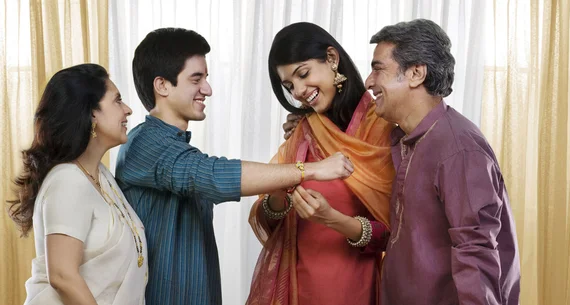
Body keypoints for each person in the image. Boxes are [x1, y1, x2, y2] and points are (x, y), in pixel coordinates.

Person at [115, 27, 353, 305]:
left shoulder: (177, 149)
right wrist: (311, 169)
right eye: (196, 79)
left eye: (206, 78)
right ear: (163, 85)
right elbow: (212, 175)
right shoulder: (144, 143)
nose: (208, 89)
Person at [364, 19, 521, 304]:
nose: (369, 81)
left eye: (378, 69)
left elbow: (477, 253)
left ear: (415, 73)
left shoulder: (458, 149)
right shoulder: (405, 137)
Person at [246, 22, 396, 305]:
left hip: (355, 287)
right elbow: (269, 219)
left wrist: (333, 219)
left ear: (331, 58)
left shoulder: (383, 129)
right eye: (289, 85)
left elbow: (394, 235)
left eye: (303, 74)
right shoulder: (304, 130)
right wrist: (278, 193)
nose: (299, 91)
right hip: (295, 287)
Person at [7, 63, 146, 305]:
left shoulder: (101, 177)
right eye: (117, 101)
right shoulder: (67, 181)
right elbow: (62, 276)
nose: (128, 109)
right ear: (92, 113)